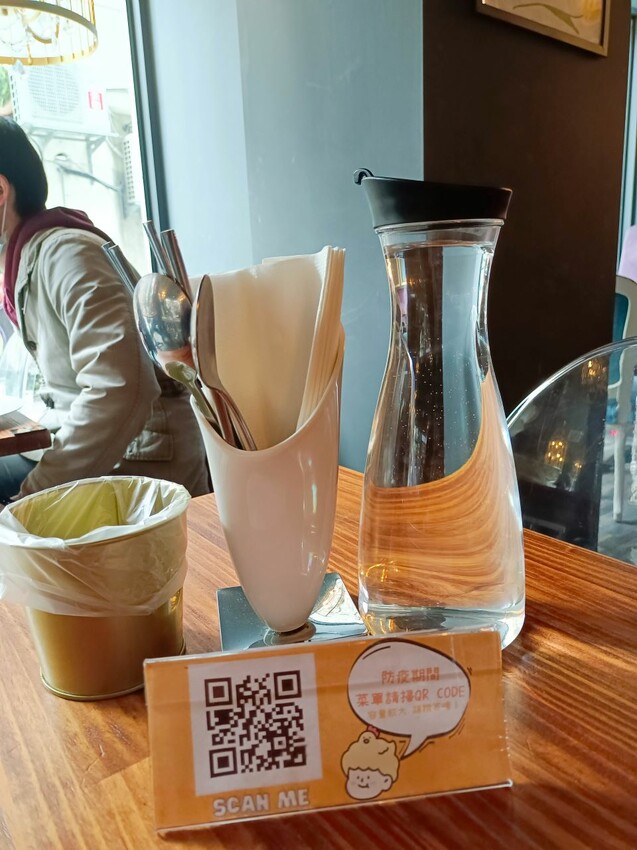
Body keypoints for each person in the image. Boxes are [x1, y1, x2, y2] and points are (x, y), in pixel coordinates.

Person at [0, 117, 210, 502]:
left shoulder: (68, 255)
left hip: (143, 463)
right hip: (108, 453)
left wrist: (35, 494)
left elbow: (120, 388)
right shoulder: (31, 260)